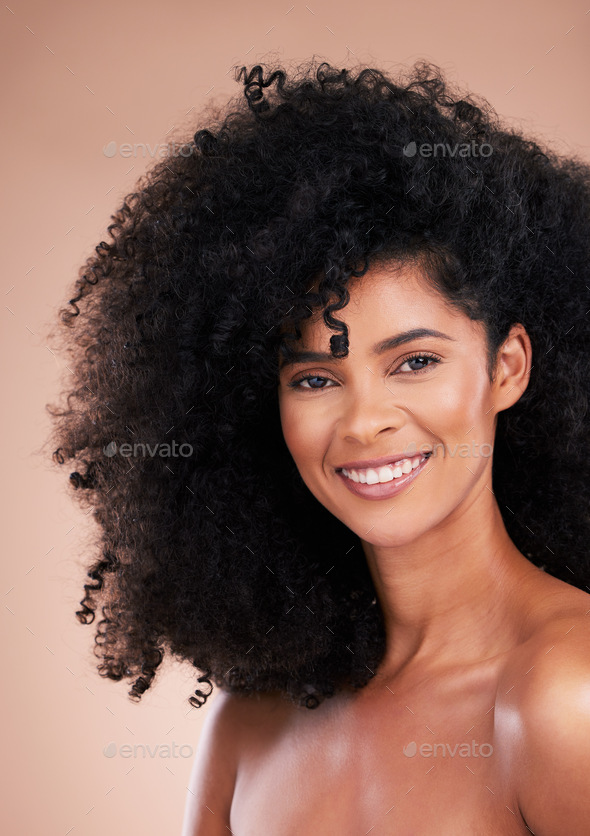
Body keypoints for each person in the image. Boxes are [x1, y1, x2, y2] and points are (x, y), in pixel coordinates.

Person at [49, 59, 590, 834]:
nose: (366, 421)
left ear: (508, 367)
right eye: (314, 379)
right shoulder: (252, 720)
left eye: (415, 362)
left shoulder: (566, 695)